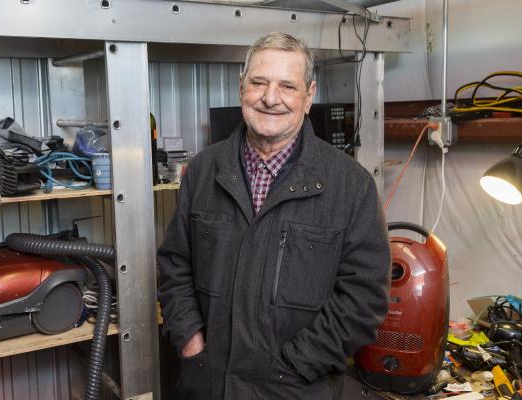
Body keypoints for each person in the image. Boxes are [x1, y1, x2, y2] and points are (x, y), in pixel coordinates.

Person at [157, 32, 391, 400]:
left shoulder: (350, 186)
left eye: (287, 86)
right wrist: (190, 340)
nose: (270, 98)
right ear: (241, 88)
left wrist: (297, 364)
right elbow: (175, 265)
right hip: (207, 385)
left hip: (295, 389)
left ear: (309, 96)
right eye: (259, 83)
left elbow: (363, 299)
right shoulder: (203, 171)